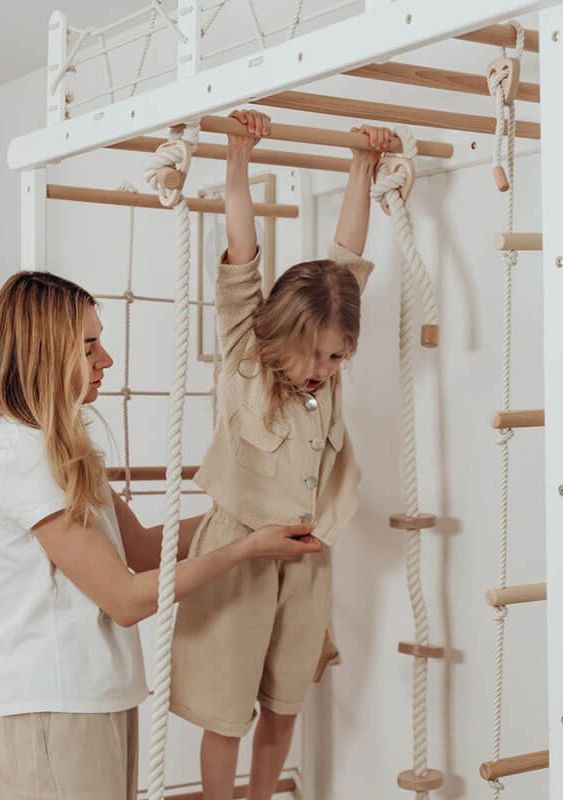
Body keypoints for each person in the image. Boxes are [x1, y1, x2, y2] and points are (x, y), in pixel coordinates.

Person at [0, 270, 321, 800]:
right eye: (89, 346)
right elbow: (125, 599)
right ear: (43, 355)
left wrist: (244, 522)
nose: (106, 360)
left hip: (96, 698)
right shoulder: (20, 454)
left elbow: (145, 550)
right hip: (55, 709)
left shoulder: (61, 448)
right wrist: (246, 549)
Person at [170, 109, 391, 800]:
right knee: (227, 707)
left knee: (284, 703)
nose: (322, 368)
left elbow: (345, 261)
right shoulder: (245, 349)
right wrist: (237, 157)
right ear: (278, 333)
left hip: (305, 550)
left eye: (336, 356)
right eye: (312, 353)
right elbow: (243, 248)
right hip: (240, 546)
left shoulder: (326, 373)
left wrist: (362, 168)